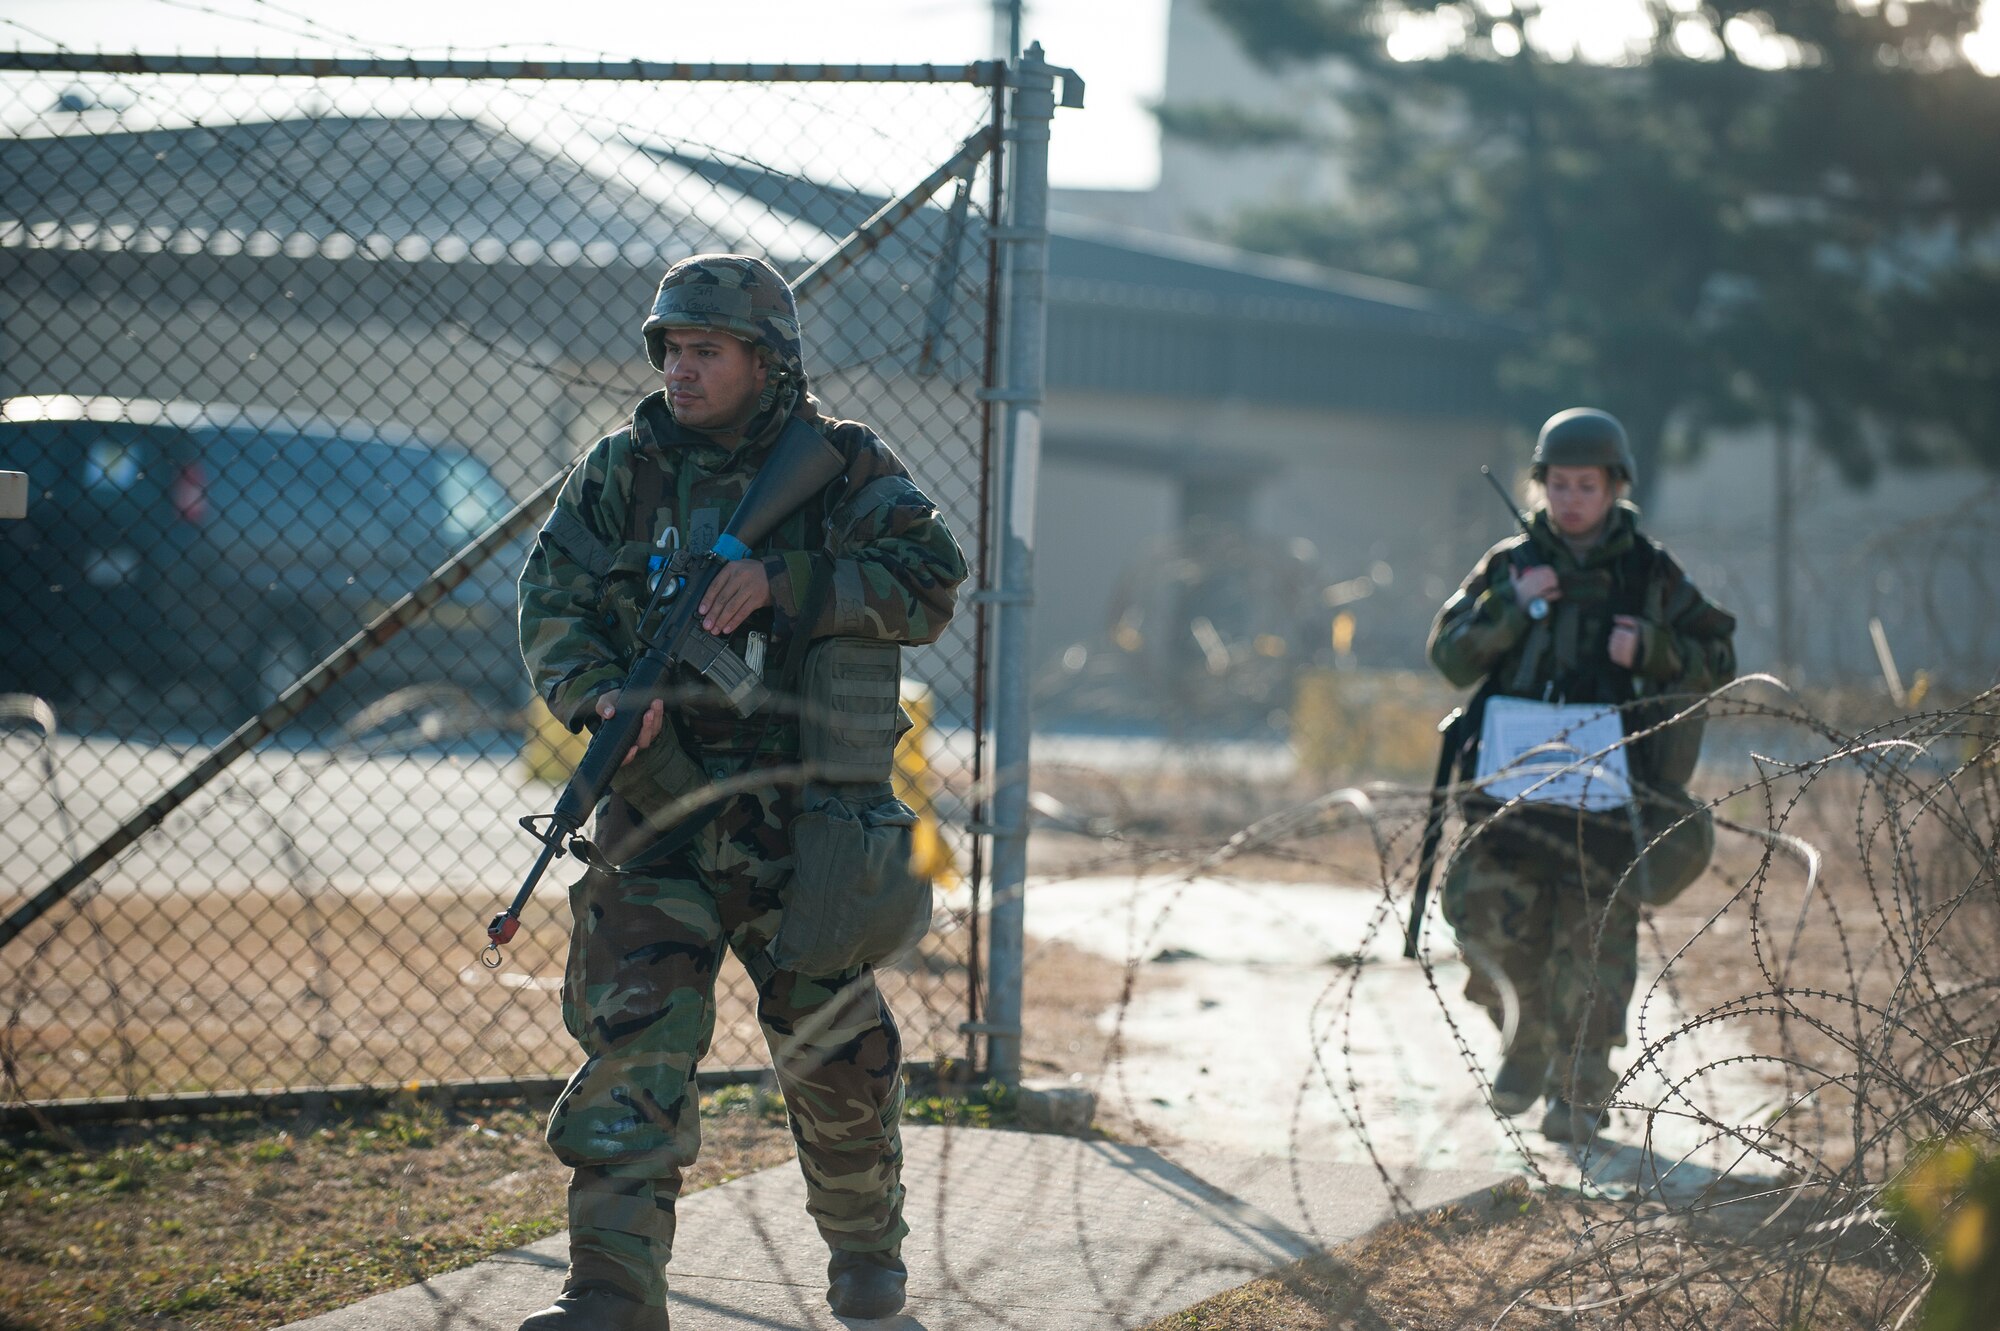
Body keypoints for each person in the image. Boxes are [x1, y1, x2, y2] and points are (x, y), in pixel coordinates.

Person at [515, 253, 967, 1328]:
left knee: (833, 1048)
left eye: (704, 350)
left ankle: (866, 1259)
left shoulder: (844, 467)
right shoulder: (621, 470)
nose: (680, 369)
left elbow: (931, 579)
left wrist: (787, 581)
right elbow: (551, 592)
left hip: (800, 818)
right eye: (670, 348)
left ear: (767, 362)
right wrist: (599, 697)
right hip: (656, 806)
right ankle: (612, 1291)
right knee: (634, 1043)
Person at [1425, 408, 1736, 1144]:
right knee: (1486, 923)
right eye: (1558, 484)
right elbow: (1449, 655)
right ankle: (1526, 1041)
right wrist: (1515, 603)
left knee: (1594, 946)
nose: (1569, 500)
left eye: (1586, 486)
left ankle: (1580, 1089)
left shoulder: (1648, 573)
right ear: (1539, 485)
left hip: (1608, 792)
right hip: (1511, 788)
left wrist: (1655, 649)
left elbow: (1719, 658)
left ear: (1615, 487)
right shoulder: (1511, 565)